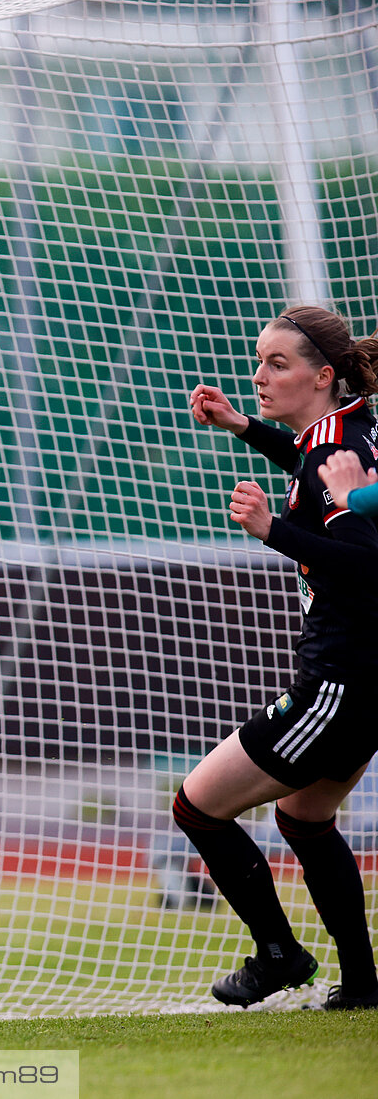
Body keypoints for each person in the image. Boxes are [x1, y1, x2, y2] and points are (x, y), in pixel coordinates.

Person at [183, 304, 378, 1010]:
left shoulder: (333, 448)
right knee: (302, 815)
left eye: (278, 363)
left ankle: (278, 954)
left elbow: (365, 562)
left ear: (322, 375)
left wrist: (271, 531)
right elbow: (306, 460)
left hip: (342, 678)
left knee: (197, 805)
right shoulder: (344, 431)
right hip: (367, 676)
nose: (260, 375)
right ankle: (361, 984)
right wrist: (242, 425)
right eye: (260, 360)